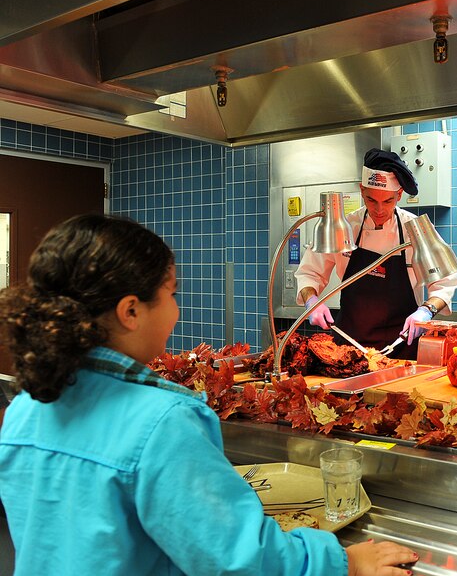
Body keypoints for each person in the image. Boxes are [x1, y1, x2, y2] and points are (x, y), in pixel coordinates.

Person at [0, 214, 417, 576]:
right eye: (171, 294)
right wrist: (344, 564)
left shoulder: (25, 407)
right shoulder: (163, 423)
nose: (176, 311)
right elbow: (241, 561)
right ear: (131, 311)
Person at [296, 148, 457, 359]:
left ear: (399, 194)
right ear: (361, 190)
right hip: (348, 349)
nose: (379, 210)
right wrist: (312, 302)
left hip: (402, 348)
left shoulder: (415, 229)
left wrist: (426, 310)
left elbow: (445, 282)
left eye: (388, 201)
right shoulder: (344, 227)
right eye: (371, 200)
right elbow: (310, 273)